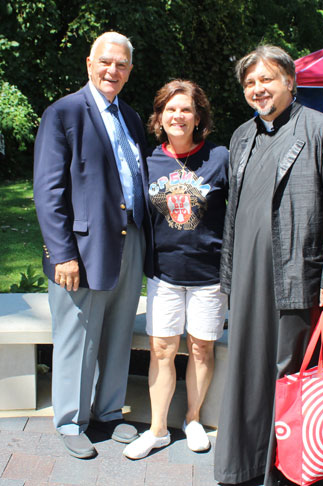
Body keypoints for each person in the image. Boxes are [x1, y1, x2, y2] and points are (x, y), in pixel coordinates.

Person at [214, 45, 323, 485]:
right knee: (247, 372)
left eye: (267, 79)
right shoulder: (241, 136)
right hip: (248, 278)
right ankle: (242, 465)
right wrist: (229, 279)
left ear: (290, 82)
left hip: (301, 277)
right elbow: (233, 214)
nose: (258, 89)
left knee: (288, 374)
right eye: (250, 83)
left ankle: (285, 471)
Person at [33, 31, 152, 459]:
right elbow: (48, 192)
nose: (112, 71)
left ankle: (108, 413)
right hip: (81, 250)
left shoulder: (132, 118)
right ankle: (70, 420)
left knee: (119, 331)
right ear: (89, 63)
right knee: (78, 336)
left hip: (129, 238)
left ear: (129, 71)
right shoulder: (63, 112)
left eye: (121, 65)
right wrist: (61, 252)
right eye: (105, 62)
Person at [123, 80, 229, 460]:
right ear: (159, 117)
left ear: (198, 116)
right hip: (164, 274)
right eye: (170, 109)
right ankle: (156, 430)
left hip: (208, 276)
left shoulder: (220, 157)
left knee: (201, 348)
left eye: (185, 109)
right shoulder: (148, 160)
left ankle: (193, 419)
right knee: (161, 350)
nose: (178, 116)